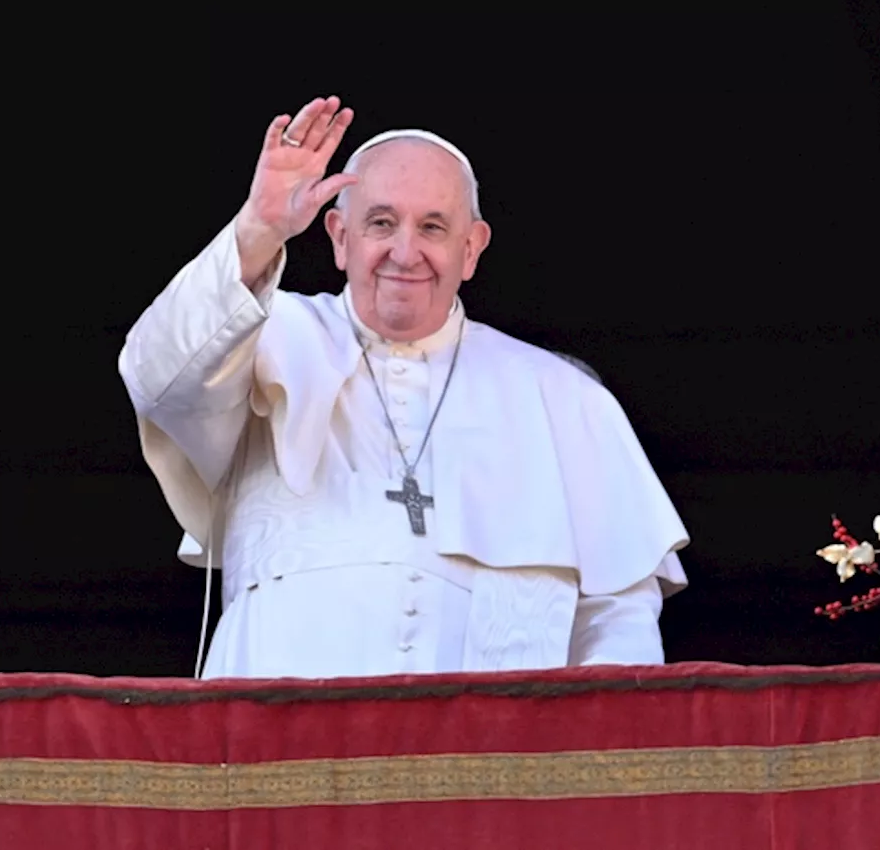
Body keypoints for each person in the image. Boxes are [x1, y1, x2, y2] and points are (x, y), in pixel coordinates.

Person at [118, 96, 690, 679]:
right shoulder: (262, 335)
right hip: (279, 746)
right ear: (339, 236)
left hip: (489, 758)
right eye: (381, 223)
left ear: (471, 249)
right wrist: (258, 231)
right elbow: (159, 376)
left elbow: (619, 620)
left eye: (434, 227)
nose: (405, 252)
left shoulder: (563, 398)